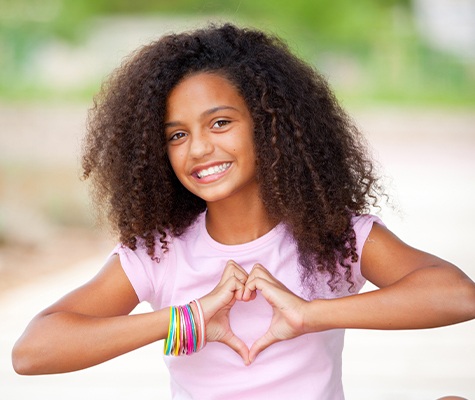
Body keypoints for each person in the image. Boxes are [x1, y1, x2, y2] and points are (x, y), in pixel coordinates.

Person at [12, 23, 475, 399]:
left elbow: (458, 296)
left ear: (271, 127)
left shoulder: (333, 237)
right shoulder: (161, 253)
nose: (198, 149)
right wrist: (184, 320)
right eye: (176, 135)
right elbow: (32, 352)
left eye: (220, 123)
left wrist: (309, 314)